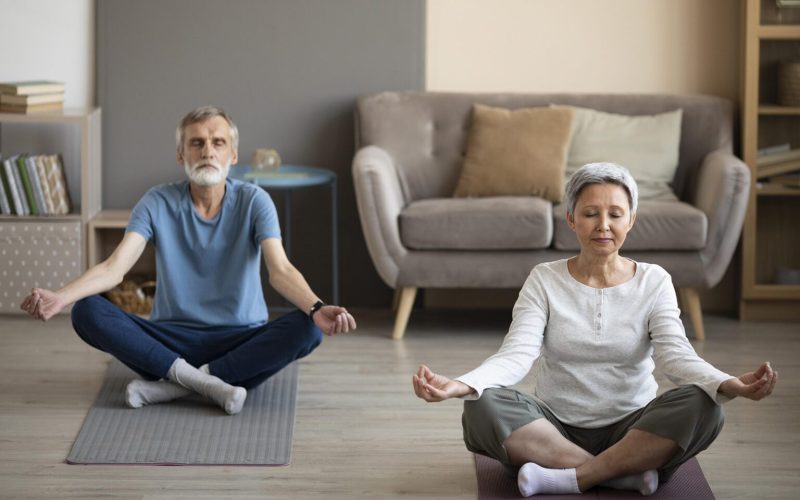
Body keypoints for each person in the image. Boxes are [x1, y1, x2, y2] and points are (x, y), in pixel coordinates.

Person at [412, 162, 777, 496]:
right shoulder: (544, 279)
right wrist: (464, 384)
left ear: (631, 219)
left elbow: (676, 356)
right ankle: (623, 473)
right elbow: (517, 355)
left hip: (635, 427)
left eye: (615, 214)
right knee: (482, 404)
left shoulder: (654, 281)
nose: (603, 225)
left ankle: (575, 476)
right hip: (554, 429)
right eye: (590, 214)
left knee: (707, 404)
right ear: (571, 219)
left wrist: (728, 383)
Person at [21, 105, 356, 415]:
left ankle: (175, 387)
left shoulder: (255, 201)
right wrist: (61, 297)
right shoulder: (156, 201)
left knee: (307, 328)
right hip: (169, 342)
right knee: (86, 310)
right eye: (197, 143)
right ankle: (208, 384)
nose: (208, 151)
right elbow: (115, 268)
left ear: (233, 154)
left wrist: (315, 307)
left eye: (218, 142)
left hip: (239, 343)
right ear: (181, 154)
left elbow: (280, 271)